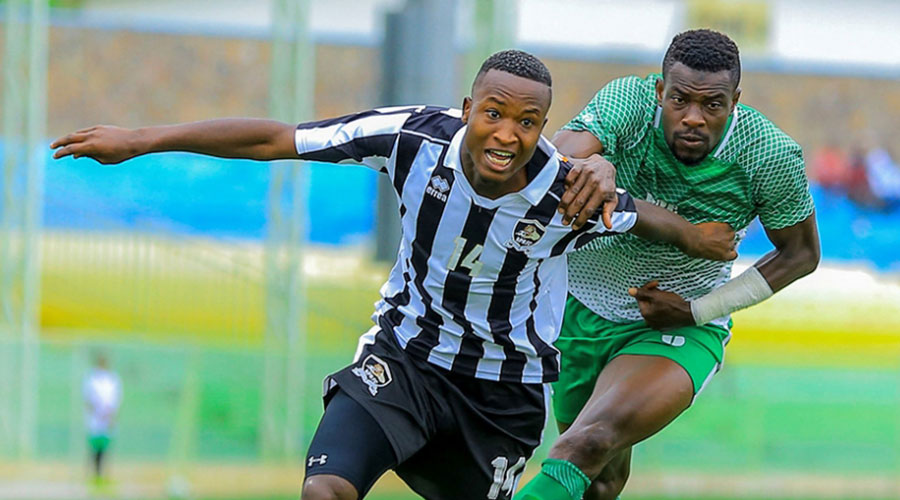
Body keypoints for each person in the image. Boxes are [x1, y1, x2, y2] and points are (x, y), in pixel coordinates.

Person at [52, 50, 737, 500]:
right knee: (325, 491)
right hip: (403, 360)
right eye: (492, 114)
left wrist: (700, 238)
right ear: (467, 110)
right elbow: (276, 139)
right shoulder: (411, 137)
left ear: (543, 130)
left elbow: (641, 217)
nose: (506, 134)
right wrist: (142, 140)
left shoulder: (567, 191)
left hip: (501, 396)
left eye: (527, 123)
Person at [514, 30, 821, 500]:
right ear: (660, 91)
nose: (693, 118)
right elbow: (556, 160)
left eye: (713, 105)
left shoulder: (769, 155)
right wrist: (599, 169)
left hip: (677, 326)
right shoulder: (629, 102)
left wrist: (698, 310)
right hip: (577, 312)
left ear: (735, 101)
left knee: (586, 443)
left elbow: (801, 255)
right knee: (600, 482)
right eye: (679, 99)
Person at [83, 352, 121, 484]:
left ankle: (104, 476)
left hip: (107, 419)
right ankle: (93, 475)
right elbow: (88, 399)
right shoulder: (92, 379)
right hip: (95, 419)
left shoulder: (112, 380)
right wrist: (97, 412)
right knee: (94, 449)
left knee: (105, 450)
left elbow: (115, 401)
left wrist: (110, 415)